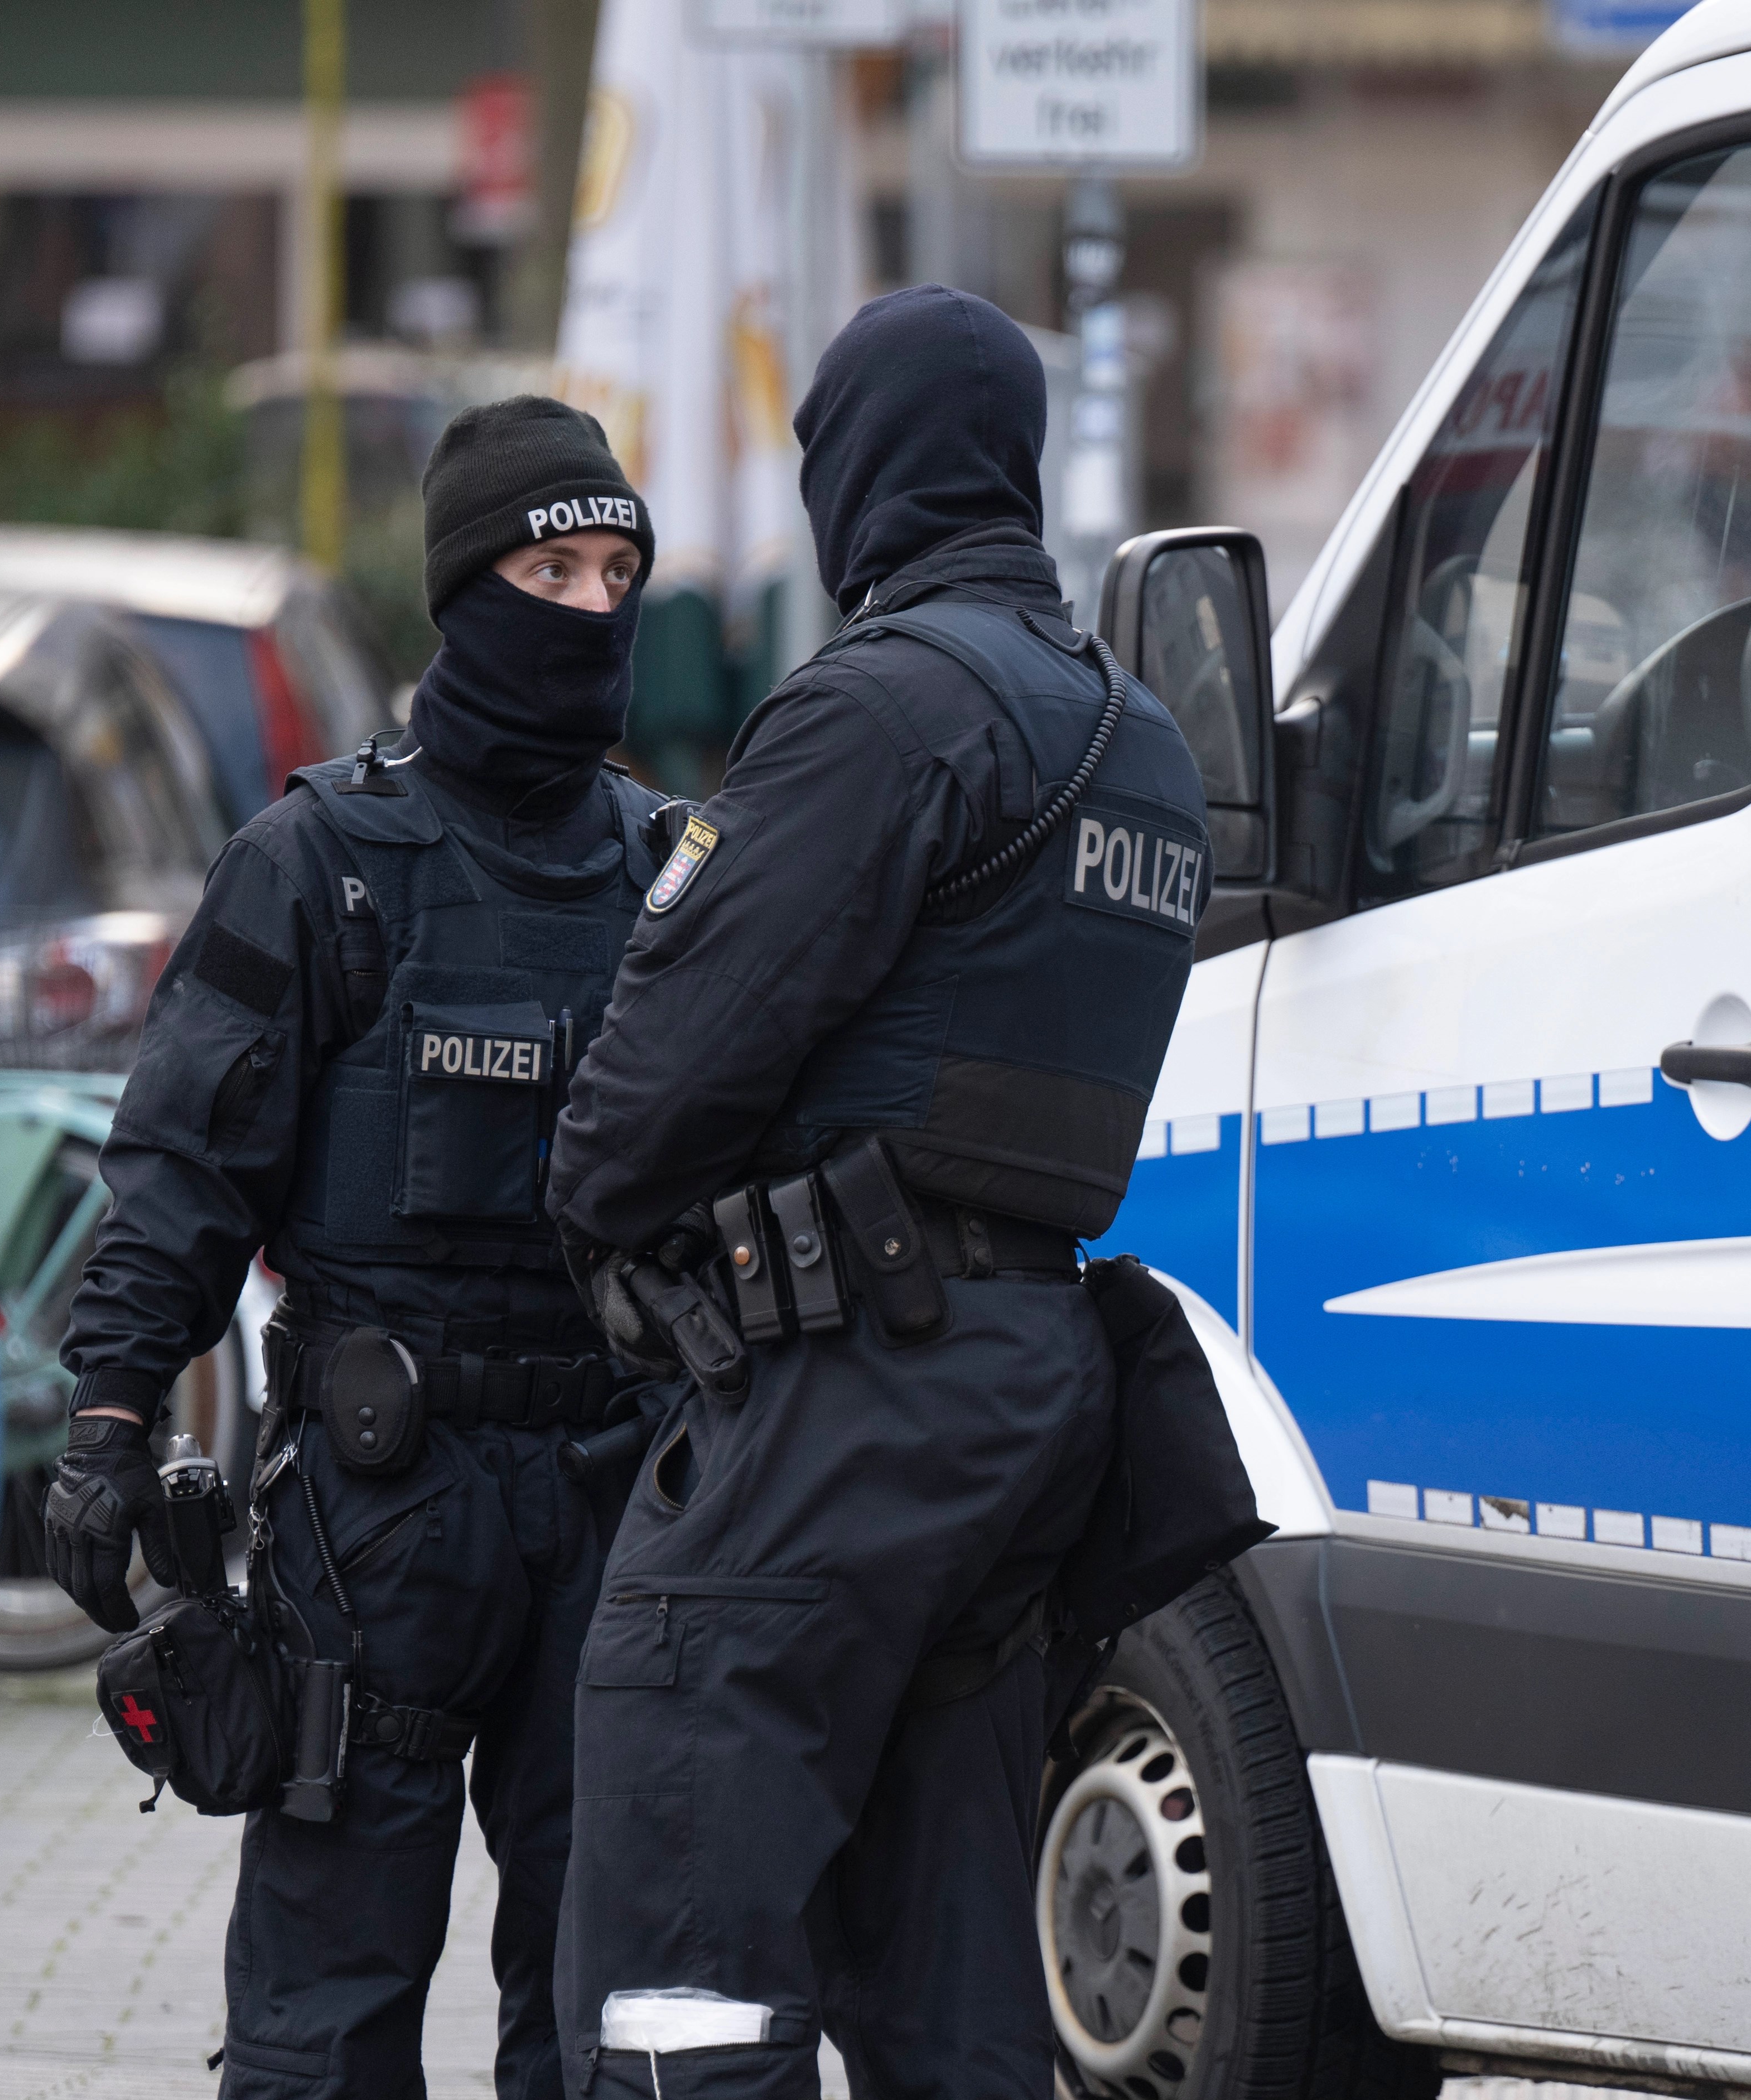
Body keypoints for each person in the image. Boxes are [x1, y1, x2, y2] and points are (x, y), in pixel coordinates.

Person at [543, 286, 1209, 2100]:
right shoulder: (1143, 742)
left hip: (838, 1401)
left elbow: (649, 1098)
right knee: (952, 1966)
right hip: (1027, 1407)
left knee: (682, 1939)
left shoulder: (881, 713)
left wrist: (605, 1213)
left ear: (866, 476)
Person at [40, 396, 672, 2100]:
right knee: (327, 2007)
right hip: (380, 1517)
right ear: (472, 591)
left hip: (614, 1490)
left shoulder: (674, 877)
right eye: (556, 566)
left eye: (621, 571)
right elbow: (181, 1172)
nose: (595, 607)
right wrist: (108, 1422)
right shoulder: (322, 863)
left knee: (607, 2007)